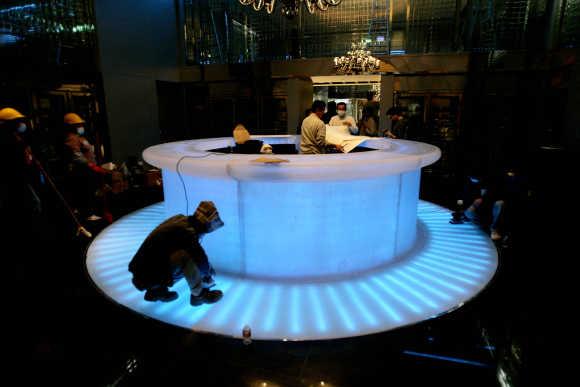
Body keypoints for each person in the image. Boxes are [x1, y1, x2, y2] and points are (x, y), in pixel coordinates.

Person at [128, 201, 224, 305]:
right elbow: (200, 259)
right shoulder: (186, 232)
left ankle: (156, 291)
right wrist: (208, 274)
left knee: (193, 260)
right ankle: (199, 295)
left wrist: (207, 269)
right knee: (185, 257)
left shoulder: (181, 220)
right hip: (146, 275)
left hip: (144, 272)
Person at [61, 112, 110, 221]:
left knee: (91, 190)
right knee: (85, 191)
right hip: (82, 170)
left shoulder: (80, 137)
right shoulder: (71, 138)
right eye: (78, 125)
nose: (81, 127)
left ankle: (91, 211)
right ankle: (87, 213)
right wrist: (91, 165)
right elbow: (77, 156)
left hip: (89, 169)